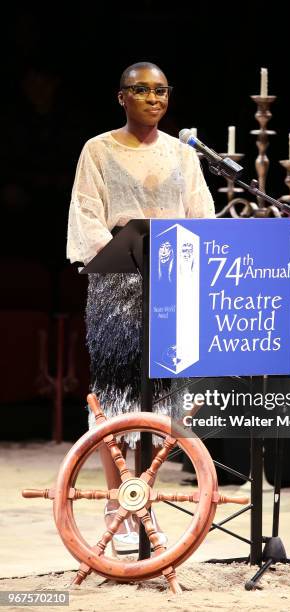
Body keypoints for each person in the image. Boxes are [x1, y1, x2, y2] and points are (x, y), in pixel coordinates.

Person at [66, 61, 215, 555]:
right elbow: (87, 215)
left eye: (162, 90)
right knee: (118, 398)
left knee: (161, 400)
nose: (154, 98)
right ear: (121, 97)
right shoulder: (99, 150)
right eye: (142, 90)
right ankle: (118, 504)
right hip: (118, 289)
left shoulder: (182, 154)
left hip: (171, 288)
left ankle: (144, 502)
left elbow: (202, 216)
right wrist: (116, 256)